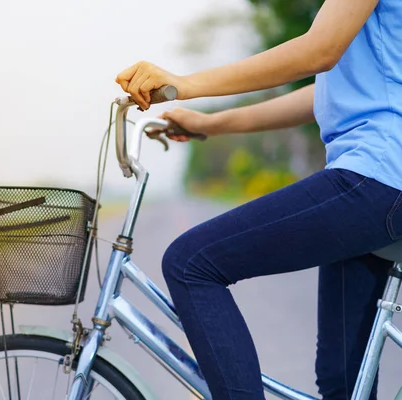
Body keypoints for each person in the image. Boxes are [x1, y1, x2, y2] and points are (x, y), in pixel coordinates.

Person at [115, 0, 402, 399]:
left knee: (191, 263)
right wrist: (211, 122)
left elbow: (318, 50)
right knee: (343, 383)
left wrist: (184, 83)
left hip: (378, 176)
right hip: (380, 182)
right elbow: (325, 92)